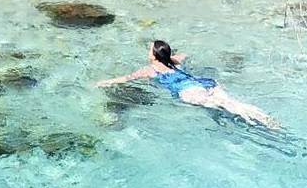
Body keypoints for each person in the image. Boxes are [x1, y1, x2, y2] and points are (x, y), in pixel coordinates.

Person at [95, 39, 280, 129]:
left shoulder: (150, 70)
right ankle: (264, 118)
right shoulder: (173, 62)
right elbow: (185, 54)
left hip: (188, 92)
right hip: (204, 84)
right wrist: (170, 55)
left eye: (149, 49)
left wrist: (103, 82)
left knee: (225, 107)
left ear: (153, 55)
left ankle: (256, 123)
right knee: (232, 103)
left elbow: (126, 78)